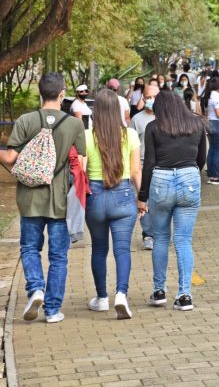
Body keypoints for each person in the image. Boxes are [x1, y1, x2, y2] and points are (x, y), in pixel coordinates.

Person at [0, 73, 86, 323]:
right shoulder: (74, 125)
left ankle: (36, 288)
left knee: (29, 248)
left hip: (29, 199)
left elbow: (9, 158)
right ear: (62, 95)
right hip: (59, 201)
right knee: (58, 256)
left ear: (39, 93)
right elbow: (80, 165)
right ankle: (52, 310)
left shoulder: (26, 120)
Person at [140, 90, 207, 312]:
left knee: (160, 238)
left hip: (161, 180)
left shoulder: (153, 127)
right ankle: (184, 295)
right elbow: (201, 159)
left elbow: (148, 163)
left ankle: (159, 291)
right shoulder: (196, 125)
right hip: (189, 177)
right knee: (183, 240)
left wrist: (142, 195)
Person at [83, 89, 141, 320]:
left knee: (99, 249)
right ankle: (121, 295)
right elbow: (136, 171)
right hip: (124, 194)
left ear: (95, 111)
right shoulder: (130, 135)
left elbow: (82, 169)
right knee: (122, 249)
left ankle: (102, 298)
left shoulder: (87, 136)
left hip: (95, 196)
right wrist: (142, 198)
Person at [130, 83, 159, 250]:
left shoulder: (165, 117)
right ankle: (148, 234)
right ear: (143, 98)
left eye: (153, 97)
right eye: (147, 97)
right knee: (143, 200)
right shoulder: (136, 120)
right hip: (140, 166)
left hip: (161, 166)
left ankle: (160, 232)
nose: (150, 100)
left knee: (160, 202)